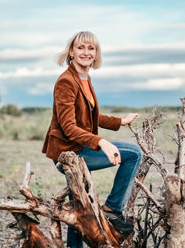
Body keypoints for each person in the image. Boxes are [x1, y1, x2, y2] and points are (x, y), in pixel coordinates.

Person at [42, 31, 142, 248]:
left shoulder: (84, 78)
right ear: (71, 52)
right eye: (81, 48)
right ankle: (113, 209)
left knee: (79, 210)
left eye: (91, 48)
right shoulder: (66, 82)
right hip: (68, 153)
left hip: (78, 148)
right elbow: (69, 127)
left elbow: (92, 117)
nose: (86, 52)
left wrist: (120, 122)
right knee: (134, 154)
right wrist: (102, 142)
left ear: (96, 54)